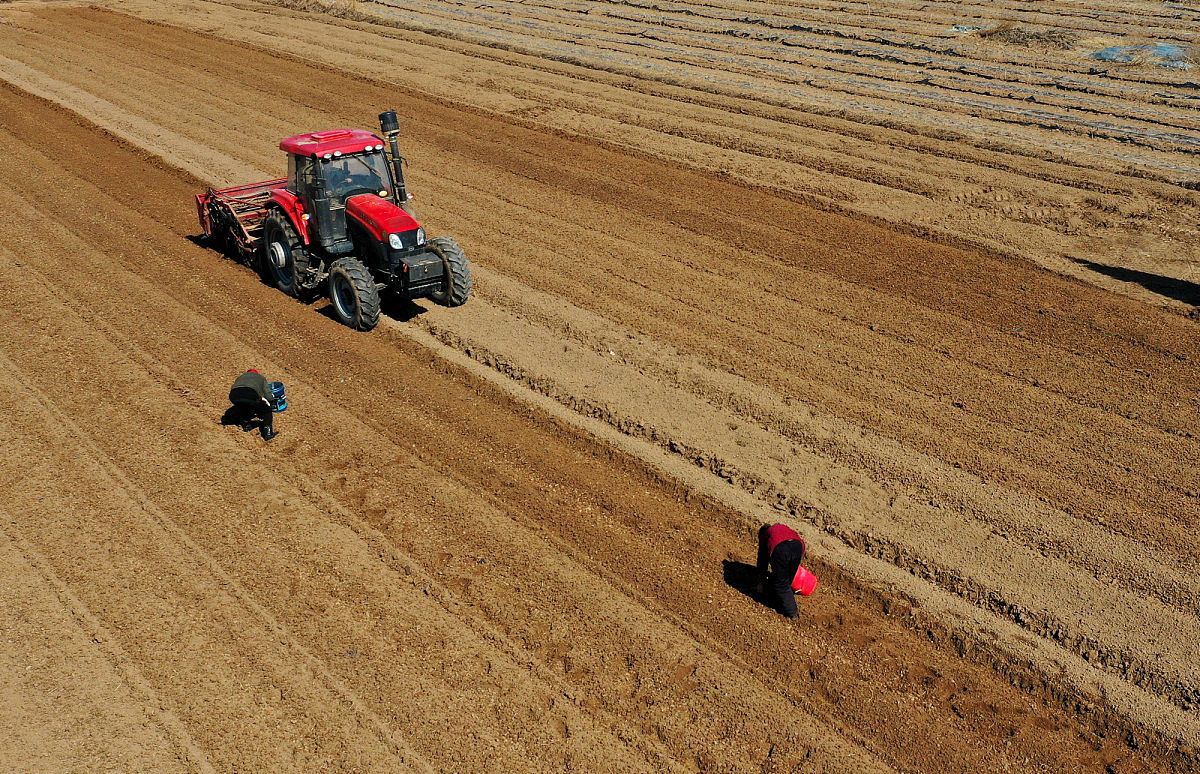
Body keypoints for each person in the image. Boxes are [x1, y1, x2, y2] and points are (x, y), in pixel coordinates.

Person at [756, 523, 807, 618]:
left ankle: (792, 613)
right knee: (787, 579)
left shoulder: (764, 536)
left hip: (781, 549)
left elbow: (762, 561)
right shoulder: (780, 528)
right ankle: (782, 599)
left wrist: (760, 581)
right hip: (798, 546)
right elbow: (801, 543)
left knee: (781, 584)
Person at [225, 369, 278, 440]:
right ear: (256, 373)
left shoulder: (241, 377)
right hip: (249, 393)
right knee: (267, 411)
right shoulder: (260, 377)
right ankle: (268, 433)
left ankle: (246, 425)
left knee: (243, 407)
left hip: (234, 395)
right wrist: (271, 401)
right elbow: (268, 394)